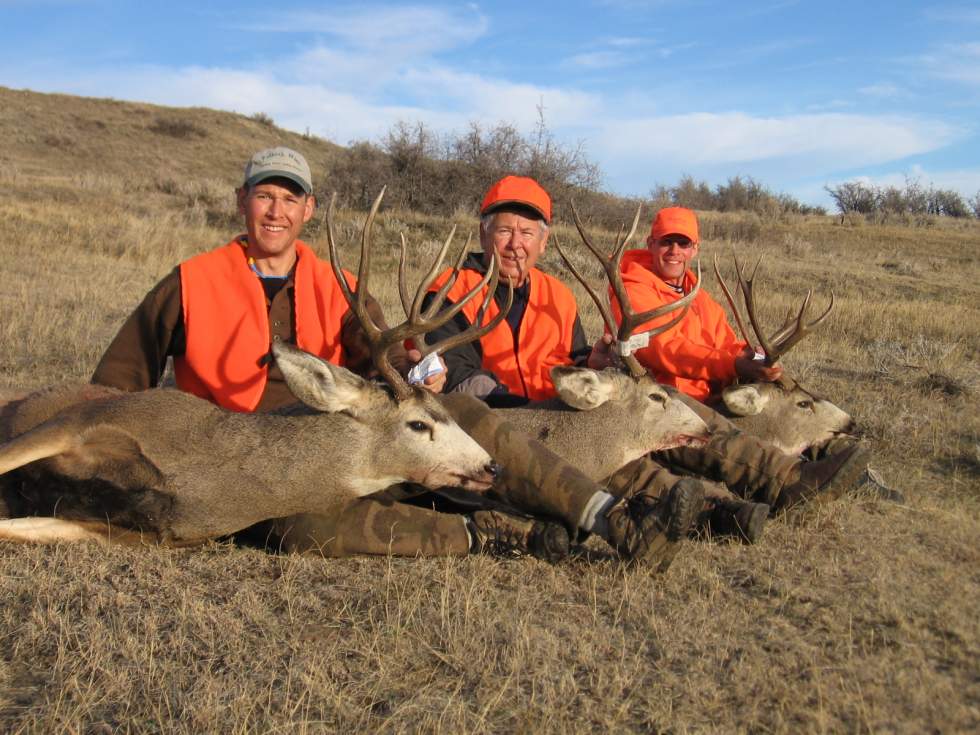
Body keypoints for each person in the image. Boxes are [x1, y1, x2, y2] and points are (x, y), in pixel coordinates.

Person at [90, 146, 570, 561]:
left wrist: (420, 367)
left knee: (461, 413)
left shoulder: (339, 287)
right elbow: (121, 378)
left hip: (337, 444)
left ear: (308, 209)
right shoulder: (191, 282)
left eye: (289, 198)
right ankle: (483, 532)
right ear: (242, 201)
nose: (276, 211)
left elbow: (384, 349)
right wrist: (96, 451)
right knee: (302, 526)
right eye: (264, 196)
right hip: (239, 458)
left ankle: (590, 511)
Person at [427, 185, 870, 542]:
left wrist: (593, 361)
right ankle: (723, 506)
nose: (515, 244)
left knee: (647, 413)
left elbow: (572, 357)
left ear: (544, 241)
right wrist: (541, 406)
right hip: (502, 425)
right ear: (484, 234)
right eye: (505, 231)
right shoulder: (451, 289)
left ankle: (759, 491)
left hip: (559, 410)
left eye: (528, 233)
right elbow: (460, 382)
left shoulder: (557, 294)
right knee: (614, 441)